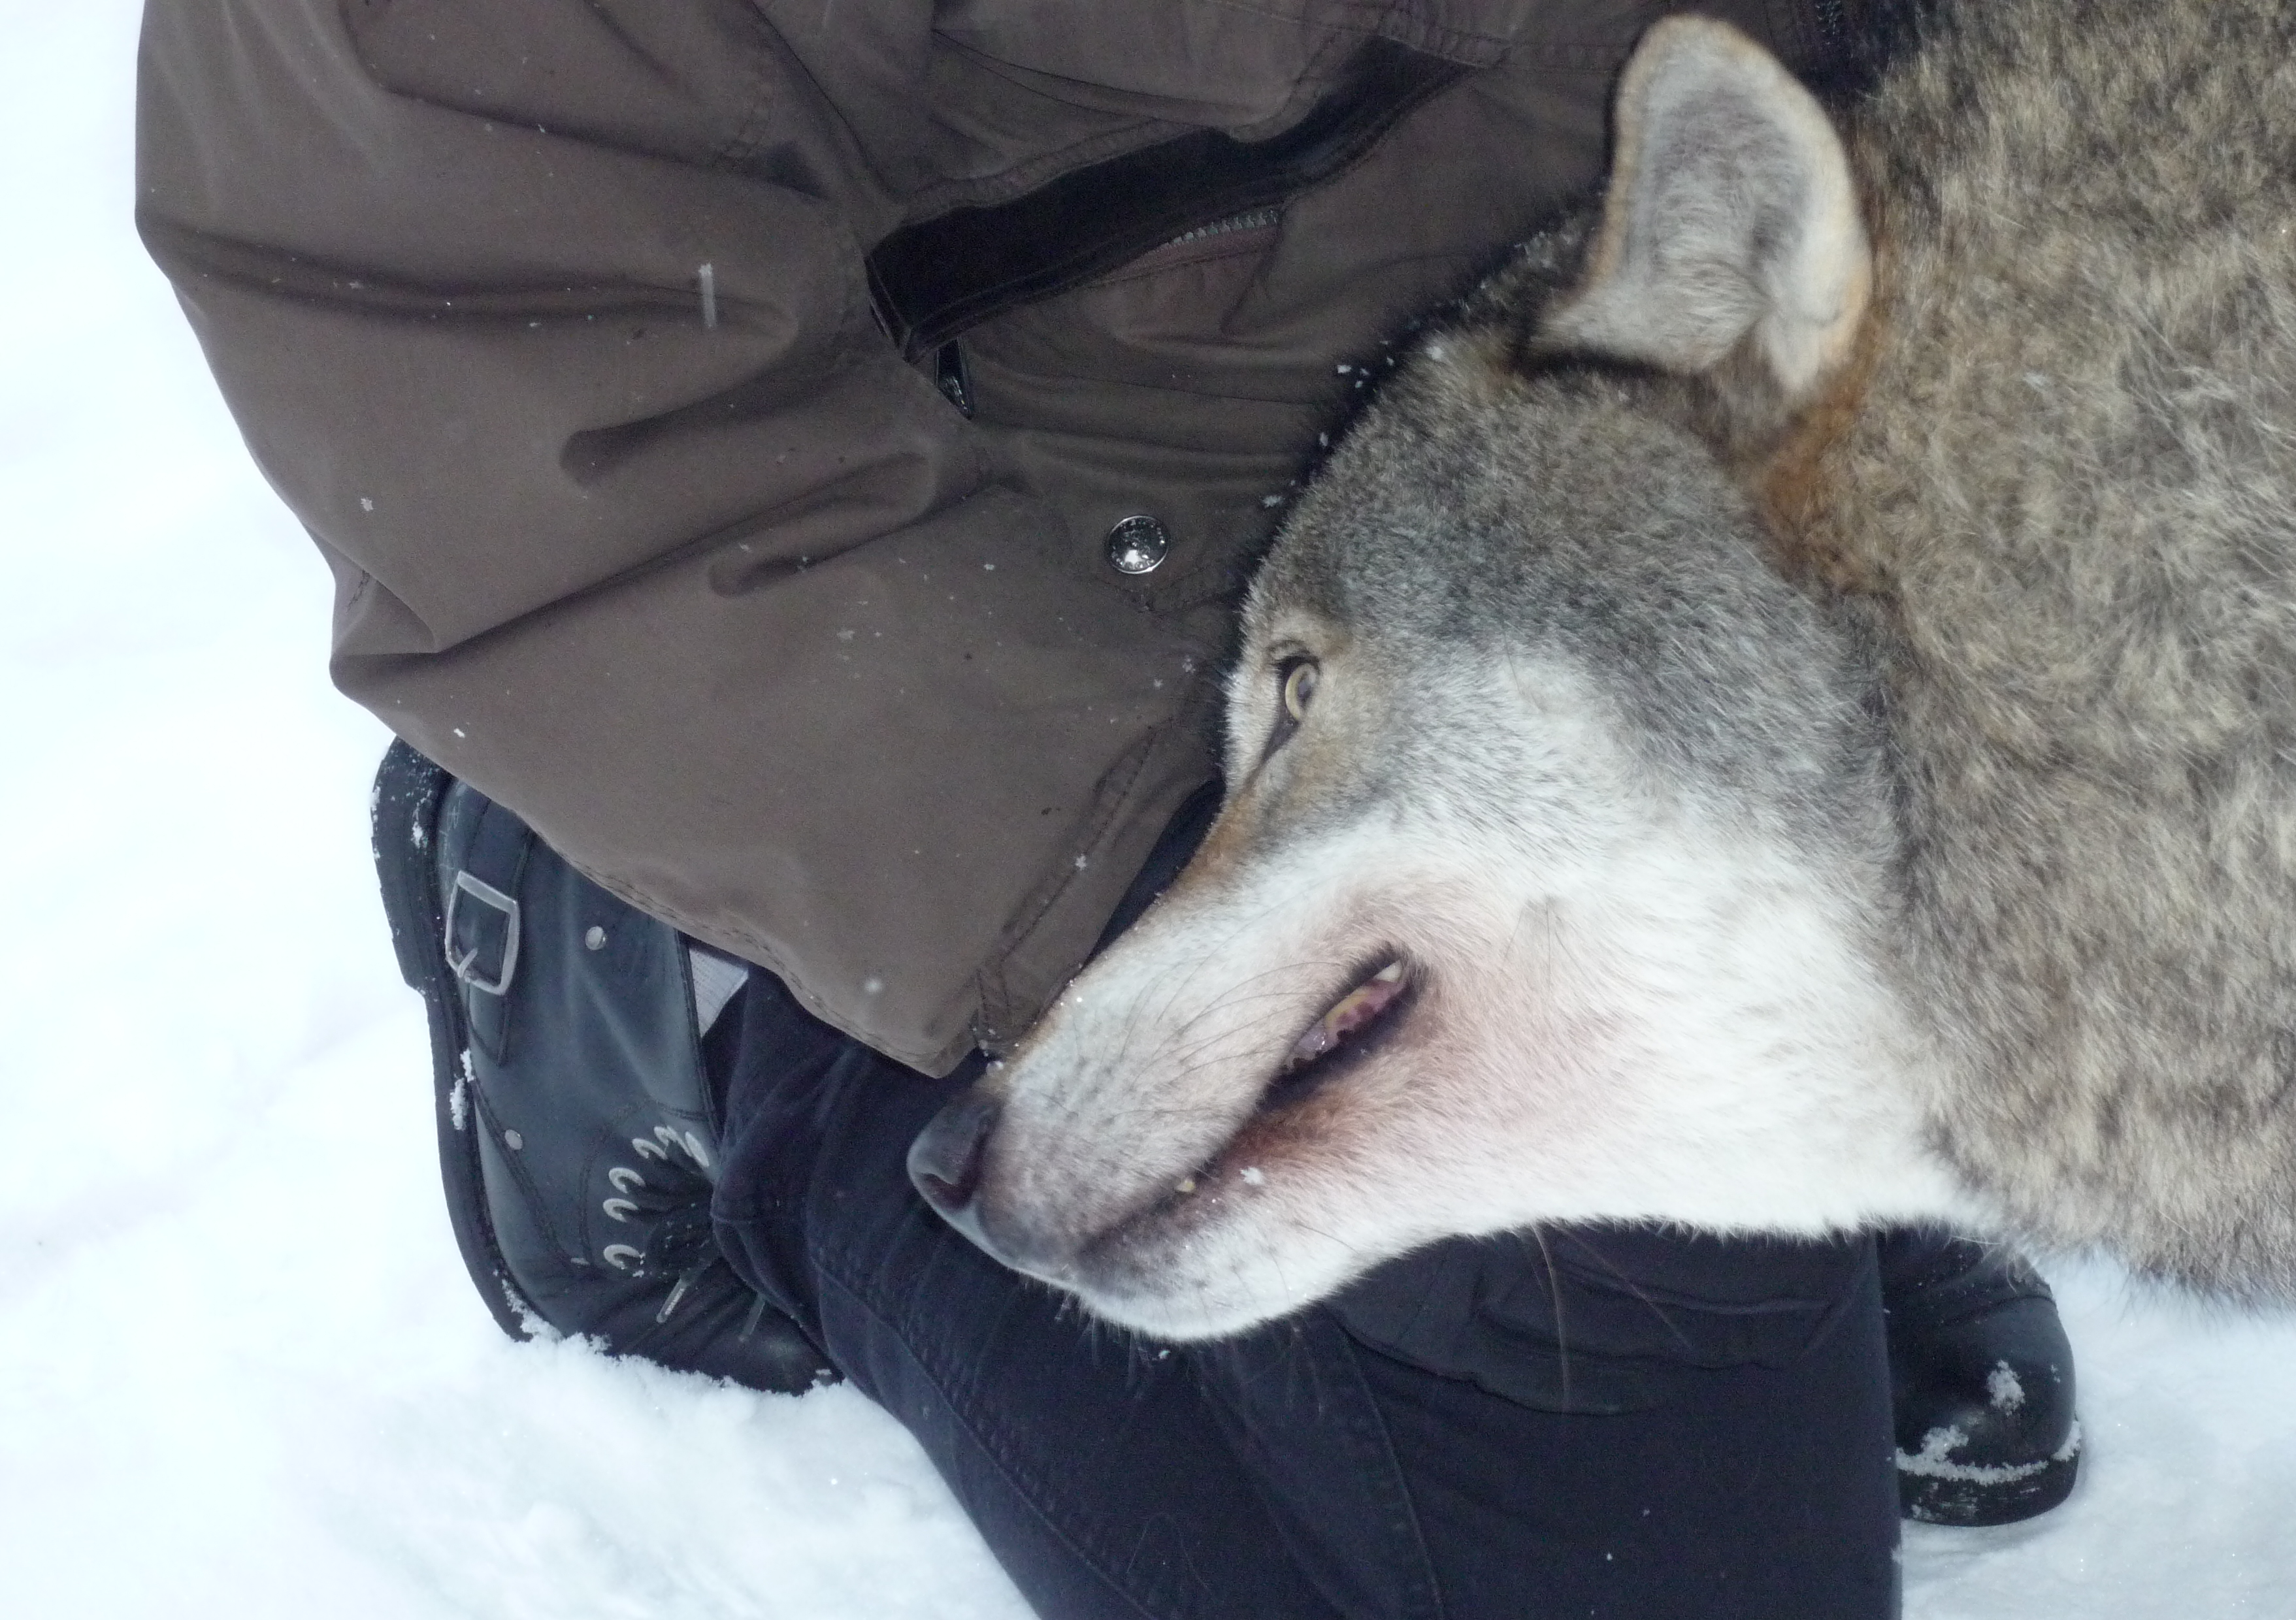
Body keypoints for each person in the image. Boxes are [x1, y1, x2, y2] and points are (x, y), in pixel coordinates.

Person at [140, 2, 2081, 1613]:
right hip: (1031, 578)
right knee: (1647, 1483)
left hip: (1742, 428)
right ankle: (757, 1034)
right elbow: (459, 274)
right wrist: (1098, 892)